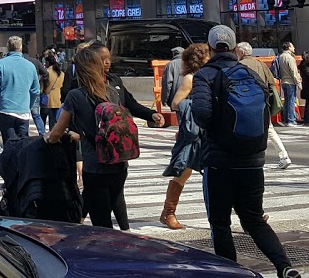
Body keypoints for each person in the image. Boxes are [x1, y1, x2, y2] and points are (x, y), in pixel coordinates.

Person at [189, 26, 301, 278]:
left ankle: (231, 274)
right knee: (254, 219)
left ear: (209, 48)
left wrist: (220, 128)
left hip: (220, 161)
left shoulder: (205, 75)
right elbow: (271, 107)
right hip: (253, 159)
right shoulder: (250, 72)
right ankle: (284, 266)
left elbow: (202, 114)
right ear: (233, 47)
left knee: (220, 223)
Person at [44, 41, 162, 230]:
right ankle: (124, 234)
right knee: (115, 198)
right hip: (120, 161)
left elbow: (58, 130)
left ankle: (110, 250)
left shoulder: (76, 95)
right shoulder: (112, 91)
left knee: (102, 223)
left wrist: (50, 139)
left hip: (95, 165)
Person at [161, 43, 211, 230]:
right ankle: (168, 212)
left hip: (209, 133)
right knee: (183, 172)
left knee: (222, 174)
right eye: (206, 55)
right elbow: (176, 103)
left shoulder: (210, 76)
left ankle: (247, 214)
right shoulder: (190, 79)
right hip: (194, 135)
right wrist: (195, 106)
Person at [237, 42, 294, 170]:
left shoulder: (239, 66)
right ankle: (284, 156)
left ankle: (248, 158)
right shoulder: (261, 64)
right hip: (262, 103)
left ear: (241, 52)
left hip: (244, 104)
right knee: (270, 130)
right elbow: (271, 83)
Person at [0, 36, 41, 141]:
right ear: (21, 47)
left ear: (7, 47)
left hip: (6, 110)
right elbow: (35, 90)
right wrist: (29, 105)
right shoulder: (30, 66)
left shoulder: (0, 64)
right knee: (23, 146)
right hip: (23, 111)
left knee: (9, 145)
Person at [275, 42, 302, 127]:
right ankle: (291, 120)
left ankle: (286, 119)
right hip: (290, 81)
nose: (294, 48)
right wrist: (298, 83)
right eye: (292, 46)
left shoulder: (281, 56)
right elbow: (293, 71)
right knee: (291, 101)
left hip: (283, 81)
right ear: (289, 47)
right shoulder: (289, 57)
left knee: (287, 101)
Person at [161, 46, 187, 115]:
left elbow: (167, 83)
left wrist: (164, 100)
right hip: (188, 97)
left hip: (176, 97)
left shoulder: (170, 64)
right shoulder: (189, 63)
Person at [41, 52, 64, 128]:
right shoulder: (61, 73)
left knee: (42, 120)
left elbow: (42, 86)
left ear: (47, 62)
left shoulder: (47, 72)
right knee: (54, 121)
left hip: (47, 99)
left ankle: (43, 135)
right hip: (57, 99)